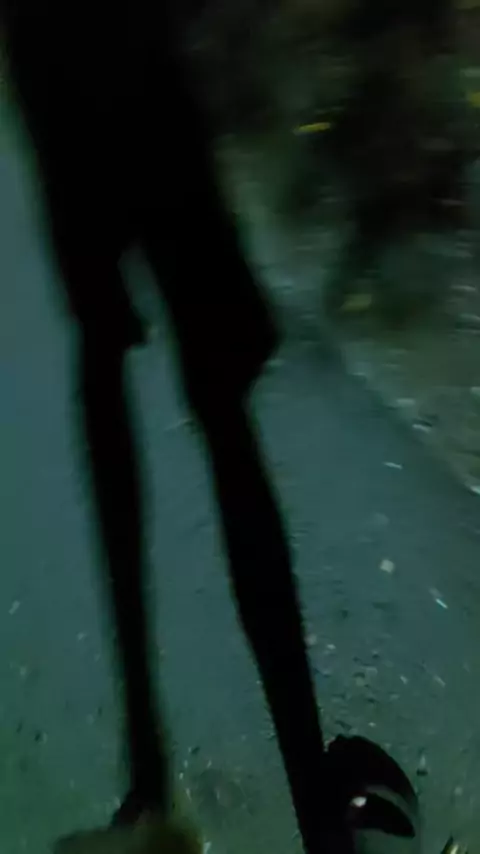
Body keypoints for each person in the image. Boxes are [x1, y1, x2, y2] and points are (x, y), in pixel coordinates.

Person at [1, 3, 334, 852]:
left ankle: (156, 783)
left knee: (126, 366)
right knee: (211, 402)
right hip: (119, 55)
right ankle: (302, 805)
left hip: (73, 52)